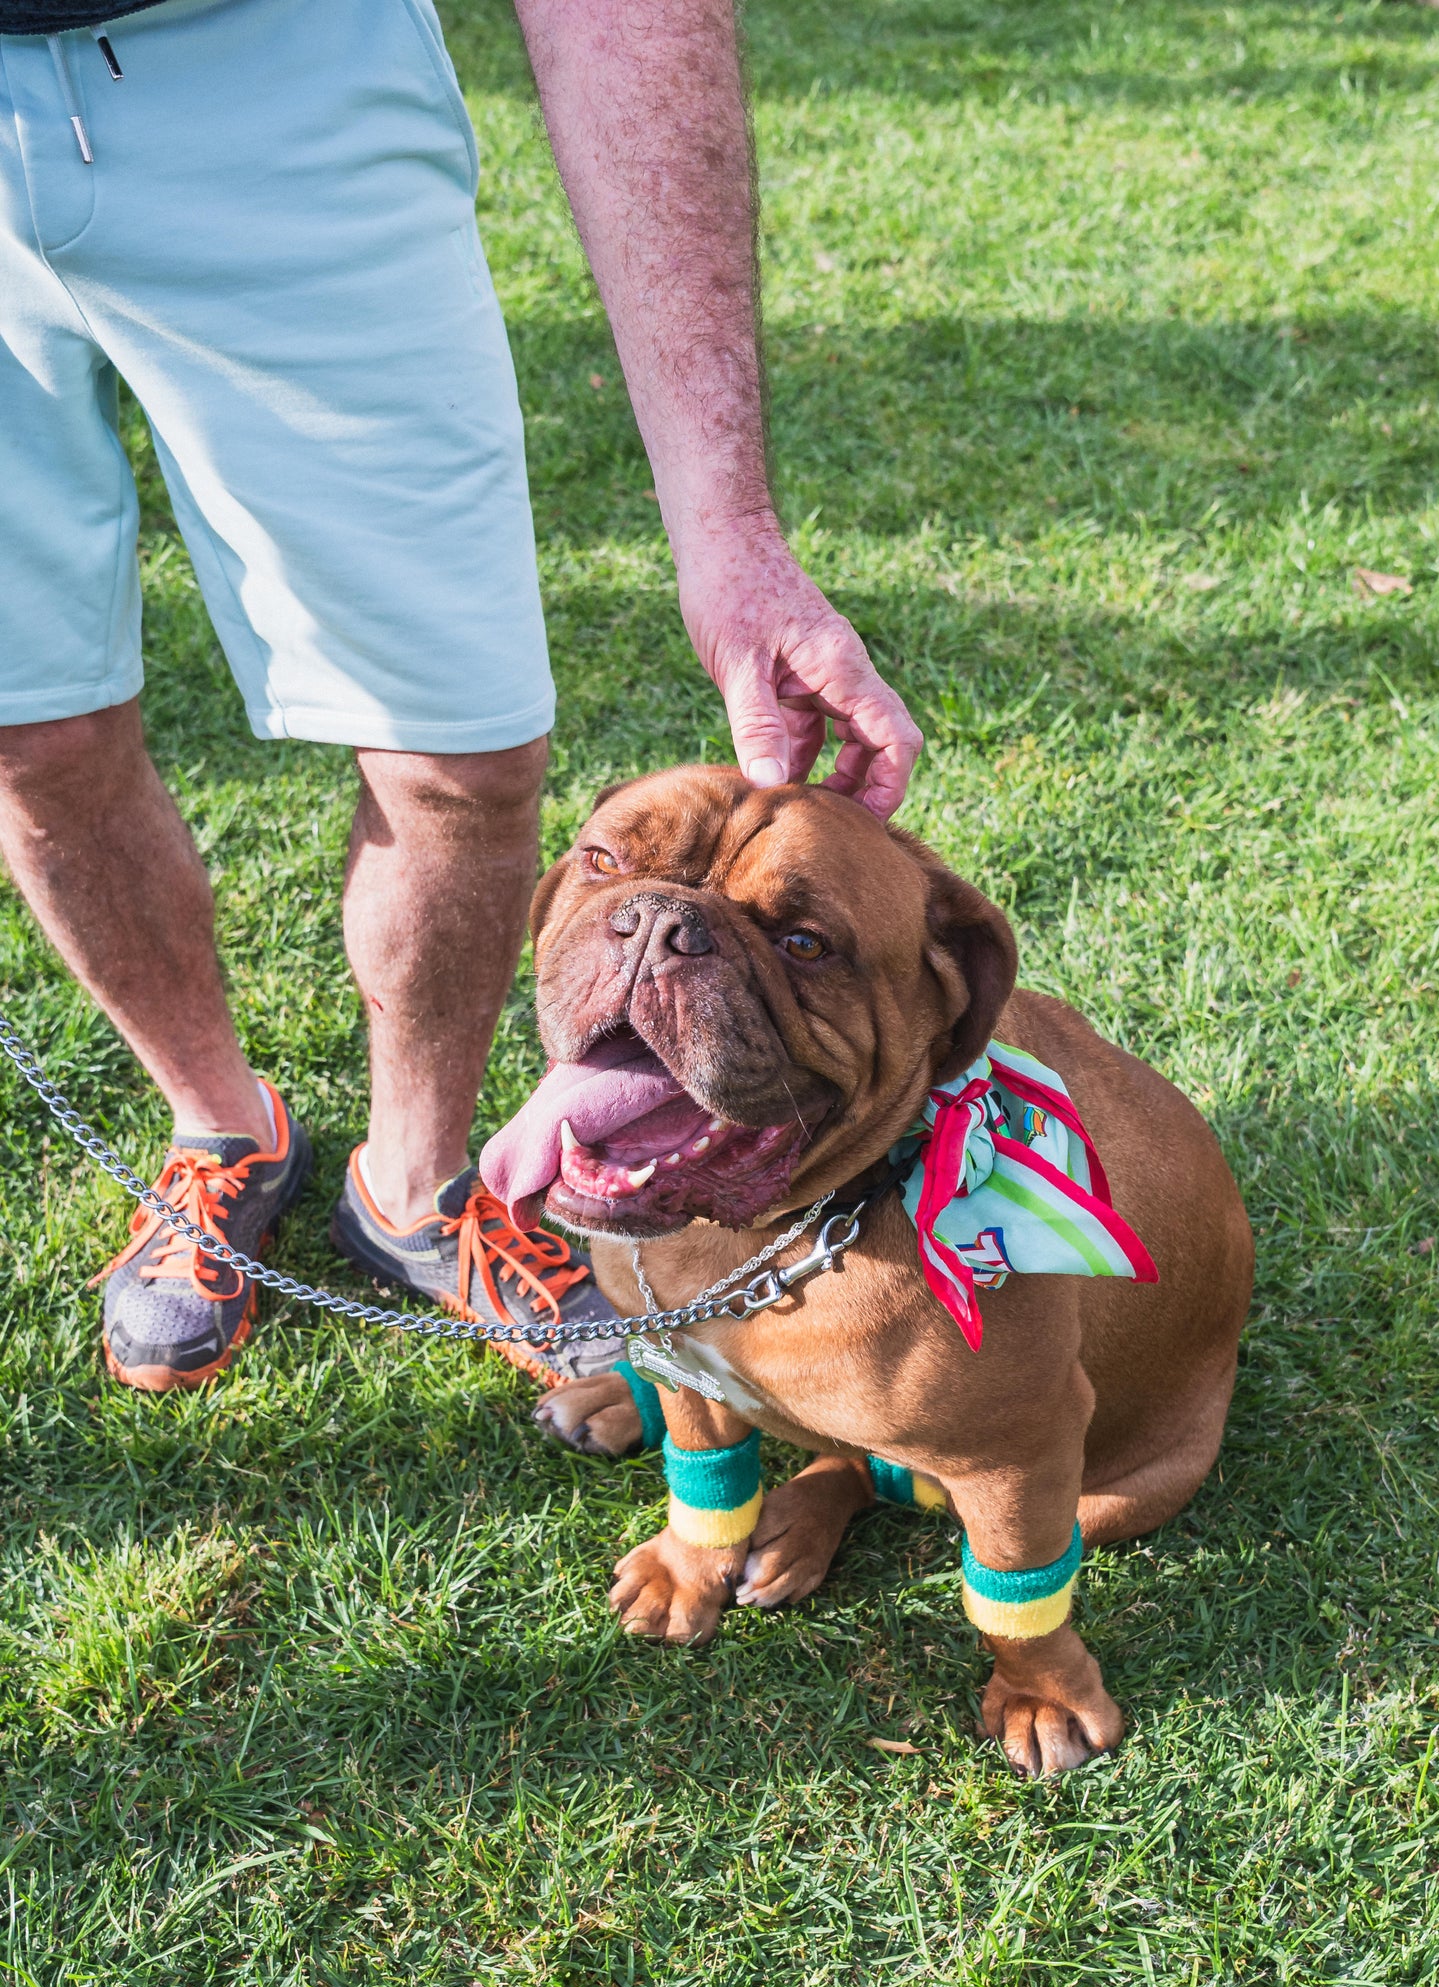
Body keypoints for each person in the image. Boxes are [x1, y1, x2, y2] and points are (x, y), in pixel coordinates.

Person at [0, 0, 921, 1392]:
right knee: (30, 732)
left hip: (265, 69)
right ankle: (217, 1132)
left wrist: (731, 535)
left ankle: (420, 1183)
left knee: (459, 755)